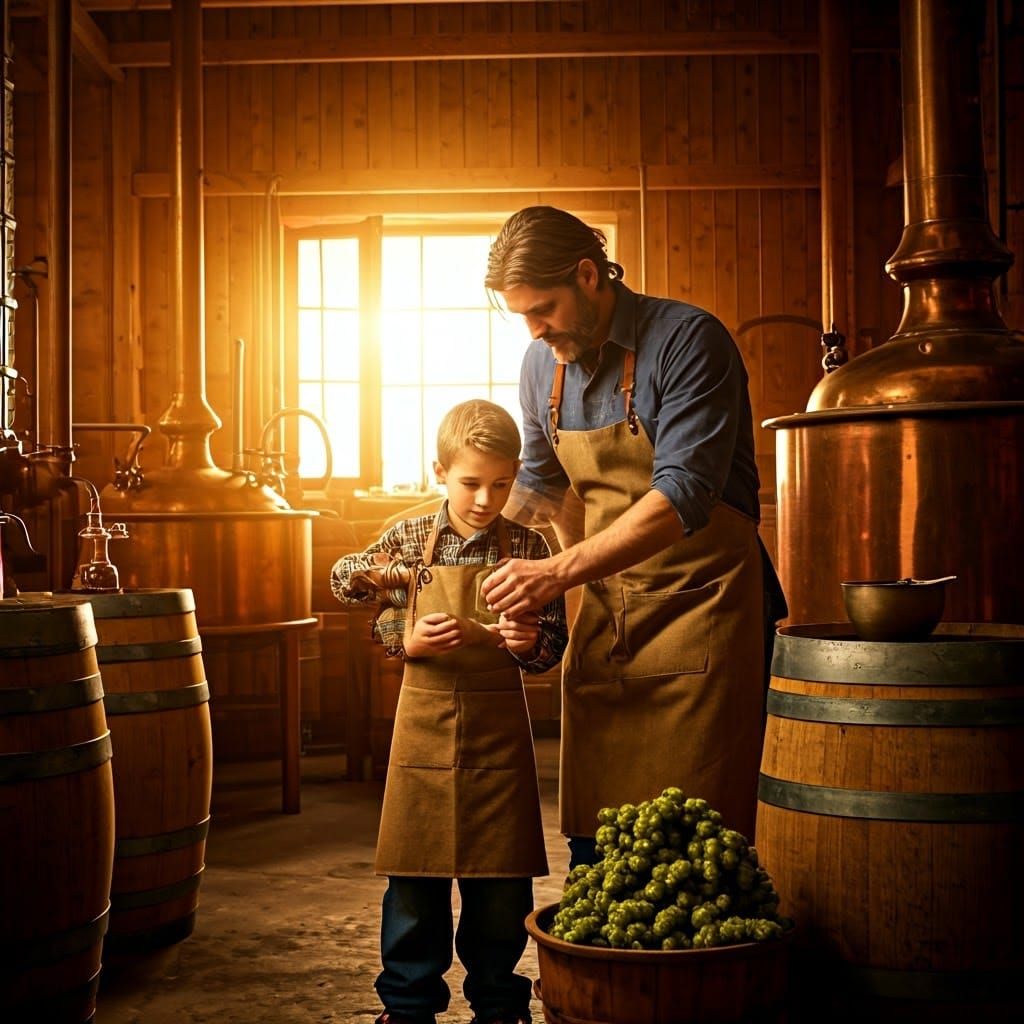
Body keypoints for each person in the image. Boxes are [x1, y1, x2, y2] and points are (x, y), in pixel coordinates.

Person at [480, 205, 787, 869]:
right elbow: (538, 490)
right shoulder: (542, 366)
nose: (534, 331)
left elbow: (681, 496)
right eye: (523, 316)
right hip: (606, 611)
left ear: (589, 275)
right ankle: (606, 976)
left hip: (704, 611)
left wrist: (556, 575)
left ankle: (693, 975)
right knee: (598, 832)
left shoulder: (688, 340)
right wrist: (476, 551)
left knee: (695, 840)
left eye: (543, 310)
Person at [331, 398, 568, 1024]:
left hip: (499, 734)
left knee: (501, 883)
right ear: (440, 471)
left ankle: (498, 1002)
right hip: (423, 731)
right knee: (414, 878)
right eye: (470, 483)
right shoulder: (411, 536)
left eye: (501, 483)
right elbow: (343, 579)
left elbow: (552, 644)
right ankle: (407, 1006)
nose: (486, 500)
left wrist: (529, 644)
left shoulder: (529, 543)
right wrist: (400, 634)